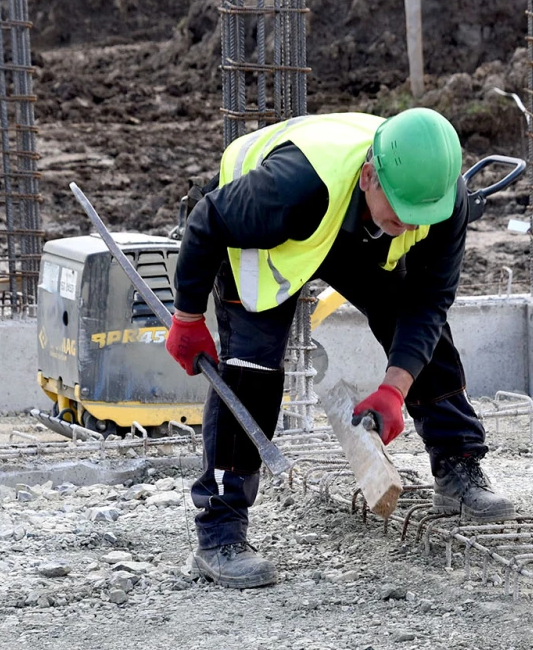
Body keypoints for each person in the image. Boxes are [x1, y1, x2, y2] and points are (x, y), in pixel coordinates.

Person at [166, 108, 514, 589]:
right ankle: (221, 532)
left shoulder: (438, 197)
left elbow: (430, 300)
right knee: (252, 369)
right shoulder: (290, 190)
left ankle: (458, 466)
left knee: (419, 326)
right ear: (370, 176)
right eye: (402, 218)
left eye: (420, 222)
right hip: (268, 235)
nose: (412, 231)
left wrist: (394, 388)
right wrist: (187, 317)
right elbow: (206, 222)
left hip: (354, 226)